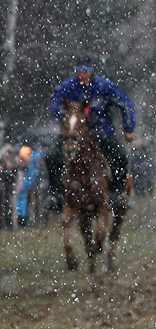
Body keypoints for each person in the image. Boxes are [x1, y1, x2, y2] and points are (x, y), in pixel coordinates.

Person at [49, 54, 135, 212]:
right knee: (53, 156)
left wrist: (129, 129)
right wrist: (69, 114)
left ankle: (117, 194)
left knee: (120, 157)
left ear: (92, 71)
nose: (82, 75)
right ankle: (56, 195)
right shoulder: (67, 87)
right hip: (73, 133)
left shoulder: (104, 87)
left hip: (100, 132)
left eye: (85, 71)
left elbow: (126, 104)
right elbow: (54, 105)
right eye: (79, 71)